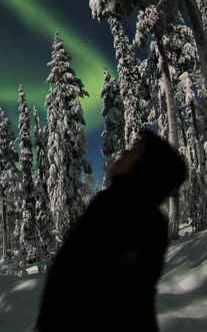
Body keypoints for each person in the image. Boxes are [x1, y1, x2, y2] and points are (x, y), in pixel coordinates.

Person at [35, 129, 187, 332]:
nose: (125, 152)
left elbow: (94, 287)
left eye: (133, 151)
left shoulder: (121, 207)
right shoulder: (136, 210)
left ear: (144, 168)